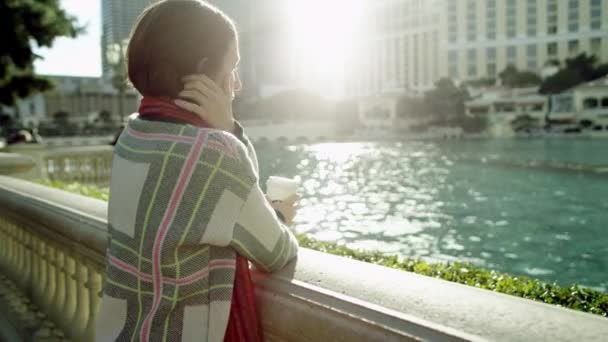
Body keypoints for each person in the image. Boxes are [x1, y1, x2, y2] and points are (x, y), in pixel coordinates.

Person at [95, 1, 300, 341]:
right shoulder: (215, 153)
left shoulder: (131, 135)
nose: (236, 84)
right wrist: (229, 131)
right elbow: (277, 252)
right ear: (204, 73)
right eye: (232, 67)